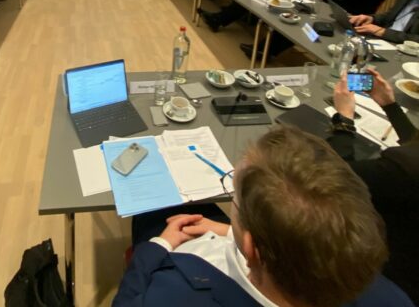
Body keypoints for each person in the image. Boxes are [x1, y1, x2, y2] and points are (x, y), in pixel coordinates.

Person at [113, 126, 411, 306]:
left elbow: (128, 300)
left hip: (172, 253)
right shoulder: (391, 297)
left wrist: (158, 246)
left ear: (252, 250)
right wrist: (227, 230)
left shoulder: (172, 295)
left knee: (152, 210)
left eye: (234, 197)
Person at [330, 67, 419, 303]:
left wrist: (344, 118)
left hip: (383, 277)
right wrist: (389, 105)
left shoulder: (402, 171)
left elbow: (337, 178)